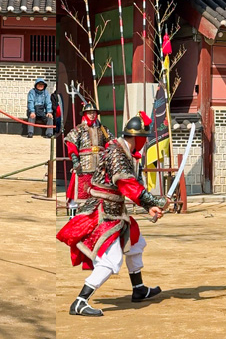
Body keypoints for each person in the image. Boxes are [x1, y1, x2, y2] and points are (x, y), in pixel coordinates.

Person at [57, 112, 169, 316]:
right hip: (102, 211)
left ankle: (139, 289)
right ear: (138, 138)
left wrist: (149, 206)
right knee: (112, 259)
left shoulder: (122, 150)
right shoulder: (117, 153)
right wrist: (153, 201)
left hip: (116, 210)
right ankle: (80, 301)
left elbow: (130, 186)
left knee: (135, 243)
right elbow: (126, 182)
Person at [63, 102, 111, 216]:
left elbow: (111, 143)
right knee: (79, 191)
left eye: (94, 113)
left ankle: (97, 216)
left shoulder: (103, 129)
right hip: (84, 166)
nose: (92, 115)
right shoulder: (80, 129)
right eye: (89, 113)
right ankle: (73, 216)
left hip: (100, 166)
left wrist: (107, 158)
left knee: (99, 192)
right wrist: (75, 161)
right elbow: (71, 143)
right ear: (85, 114)